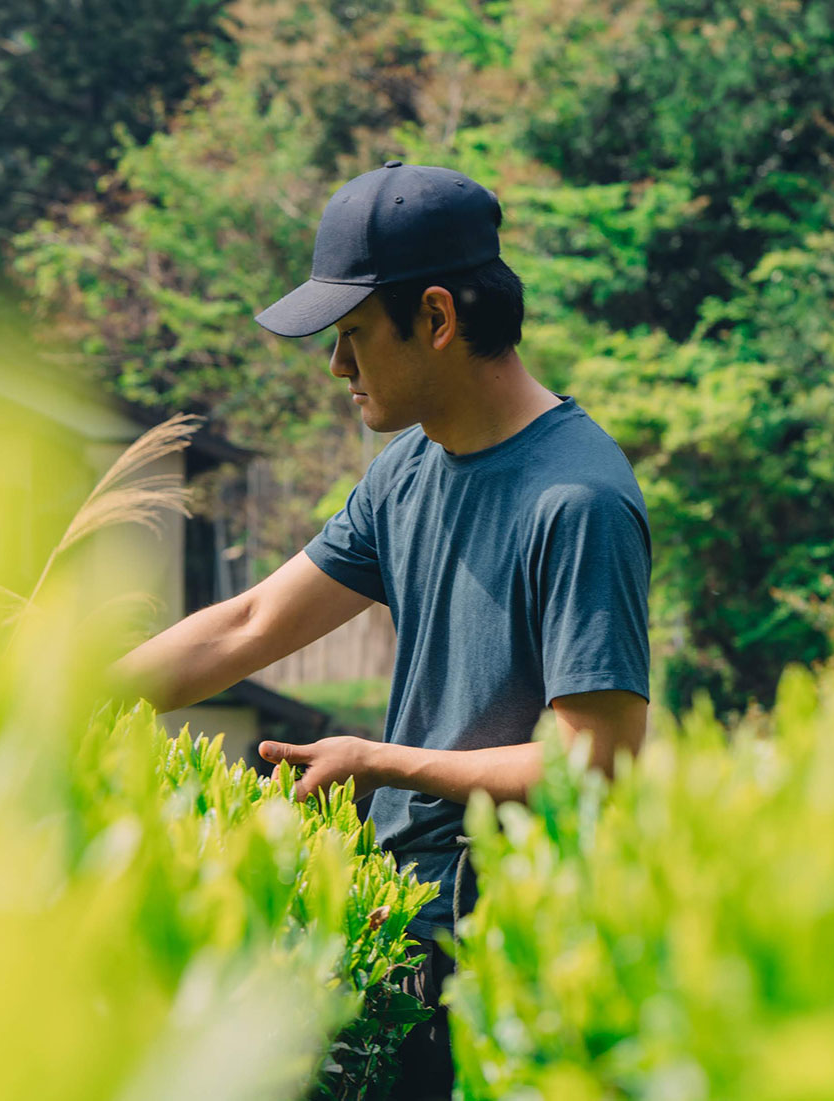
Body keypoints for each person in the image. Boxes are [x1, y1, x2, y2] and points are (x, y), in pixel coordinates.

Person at [107, 160, 651, 1100]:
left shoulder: (580, 499)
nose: (337, 367)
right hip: (392, 925)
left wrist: (381, 760)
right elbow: (248, 622)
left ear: (436, 319)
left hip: (505, 951)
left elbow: (595, 760)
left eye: (353, 334)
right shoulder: (410, 470)